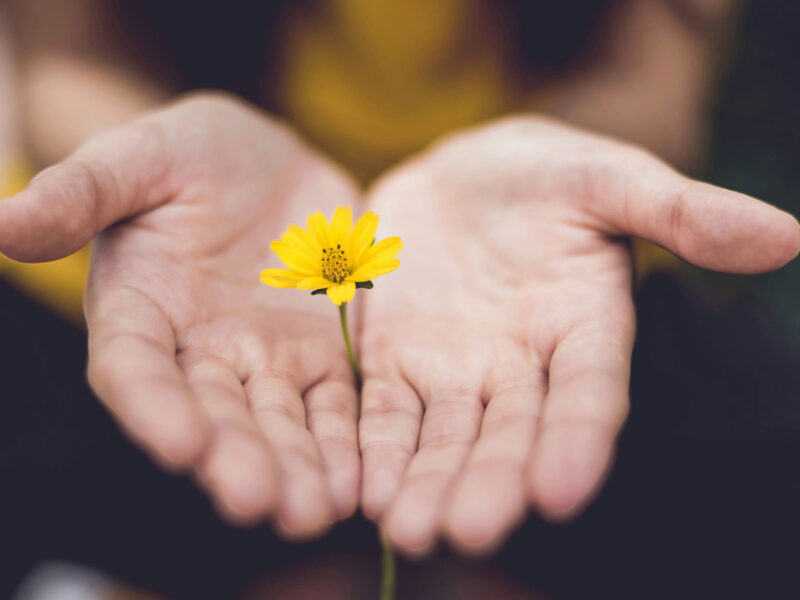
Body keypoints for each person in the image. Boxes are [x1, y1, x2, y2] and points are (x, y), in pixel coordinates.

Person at [1, 0, 797, 560]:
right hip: (186, 270)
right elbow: (69, 51)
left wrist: (564, 152)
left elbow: (652, 71)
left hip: (528, 278)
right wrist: (137, 152)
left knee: (752, 477)